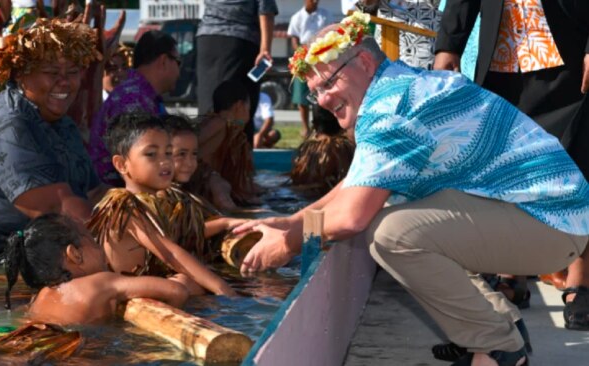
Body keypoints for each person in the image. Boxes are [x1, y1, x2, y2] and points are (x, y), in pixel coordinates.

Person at [235, 12, 589, 365]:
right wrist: (293, 220)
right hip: (554, 215)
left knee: (389, 233)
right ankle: (498, 322)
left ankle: (497, 347)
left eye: (328, 84)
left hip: (554, 224)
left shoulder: (391, 109)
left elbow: (352, 217)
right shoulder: (398, 83)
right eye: (316, 94)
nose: (324, 101)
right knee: (395, 212)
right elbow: (356, 184)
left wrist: (288, 242)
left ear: (362, 61)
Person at [435, 0, 589, 331]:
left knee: (576, 165)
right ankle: (511, 272)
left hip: (570, 52)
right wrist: (449, 44)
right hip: (503, 55)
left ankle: (580, 280)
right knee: (508, 168)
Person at [0, 18, 106, 261]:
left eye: (72, 72)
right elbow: (55, 207)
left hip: (25, 253)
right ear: (20, 75)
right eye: (51, 72)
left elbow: (94, 192)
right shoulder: (4, 122)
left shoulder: (64, 125)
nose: (65, 82)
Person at [88, 112, 235, 297]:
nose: (165, 161)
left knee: (191, 281)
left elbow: (188, 235)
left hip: (147, 286)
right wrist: (228, 293)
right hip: (124, 297)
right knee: (183, 284)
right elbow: (170, 254)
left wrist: (227, 223)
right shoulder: (123, 205)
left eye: (167, 153)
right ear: (121, 164)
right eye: (151, 154)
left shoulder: (157, 202)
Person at [4, 213, 188, 325]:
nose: (100, 247)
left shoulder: (39, 298)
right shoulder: (101, 282)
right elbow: (176, 291)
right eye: (92, 240)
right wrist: (179, 282)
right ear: (74, 254)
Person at [89, 30, 180, 187]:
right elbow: (141, 164)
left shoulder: (142, 95)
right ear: (164, 61)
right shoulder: (132, 99)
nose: (180, 71)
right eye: (178, 63)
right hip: (120, 198)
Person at [163, 114, 248, 262]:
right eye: (181, 154)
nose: (190, 162)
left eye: (194, 154)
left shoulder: (186, 191)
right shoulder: (161, 195)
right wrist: (224, 223)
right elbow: (180, 236)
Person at [195, 0, 278, 145]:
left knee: (209, 106)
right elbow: (266, 9)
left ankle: (201, 157)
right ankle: (237, 162)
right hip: (239, 41)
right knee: (238, 108)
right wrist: (265, 49)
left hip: (207, 39)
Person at [198, 80, 259, 207]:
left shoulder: (231, 130)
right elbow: (194, 142)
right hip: (203, 181)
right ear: (240, 106)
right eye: (249, 108)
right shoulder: (218, 123)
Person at [287, 0, 334, 138]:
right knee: (301, 95)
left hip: (322, 55)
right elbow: (294, 40)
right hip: (303, 56)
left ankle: (321, 125)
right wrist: (302, 53)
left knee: (322, 92)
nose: (315, 1)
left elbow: (332, 34)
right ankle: (305, 127)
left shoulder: (326, 15)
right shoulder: (296, 17)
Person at [289, 106, 354, 197]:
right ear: (341, 123)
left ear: (314, 125)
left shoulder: (305, 149)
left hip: (300, 195)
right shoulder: (344, 149)